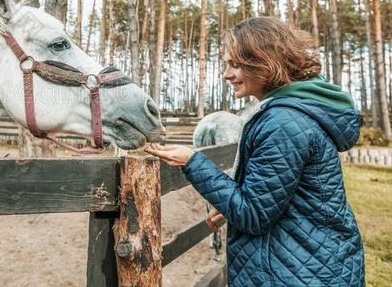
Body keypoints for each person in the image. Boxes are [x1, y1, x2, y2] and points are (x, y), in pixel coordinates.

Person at [145, 17, 365, 286]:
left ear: (264, 61)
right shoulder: (292, 113)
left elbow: (253, 215)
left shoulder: (282, 123)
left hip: (297, 272)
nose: (227, 74)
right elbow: (277, 196)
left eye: (235, 64)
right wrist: (230, 207)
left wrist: (192, 161)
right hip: (312, 261)